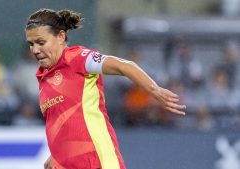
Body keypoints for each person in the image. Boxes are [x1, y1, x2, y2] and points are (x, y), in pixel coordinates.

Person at [25, 8, 186, 169]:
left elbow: (124, 66)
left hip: (97, 162)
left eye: (41, 42)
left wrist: (154, 90)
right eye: (31, 44)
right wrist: (56, 154)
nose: (35, 50)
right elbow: (64, 123)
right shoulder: (44, 78)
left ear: (61, 36)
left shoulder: (77, 58)